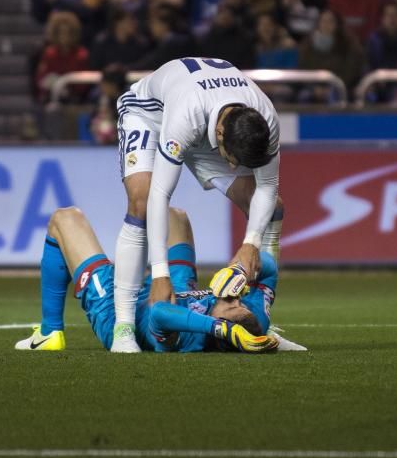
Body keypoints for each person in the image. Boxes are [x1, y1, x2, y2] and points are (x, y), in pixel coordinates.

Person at [111, 56, 283, 353]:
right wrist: (161, 274)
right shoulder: (185, 116)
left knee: (272, 209)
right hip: (152, 113)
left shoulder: (265, 116)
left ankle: (255, 318)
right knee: (141, 201)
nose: (233, 168)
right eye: (233, 160)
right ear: (221, 136)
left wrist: (251, 242)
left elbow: (267, 186)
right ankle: (123, 327)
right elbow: (160, 196)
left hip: (209, 119)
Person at [14, 206, 305, 352]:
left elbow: (158, 311)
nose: (234, 297)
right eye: (239, 301)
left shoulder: (192, 337)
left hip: (116, 309)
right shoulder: (256, 318)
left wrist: (218, 329)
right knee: (174, 216)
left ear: (224, 327)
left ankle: (50, 333)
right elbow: (269, 268)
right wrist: (241, 271)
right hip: (177, 289)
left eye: (231, 306)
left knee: (65, 218)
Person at [35, 12, 89, 104]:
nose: (64, 37)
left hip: (75, 99)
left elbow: (84, 83)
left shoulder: (81, 54)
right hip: (52, 98)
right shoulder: (49, 54)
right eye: (61, 33)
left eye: (68, 33)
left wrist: (68, 88)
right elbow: (41, 78)